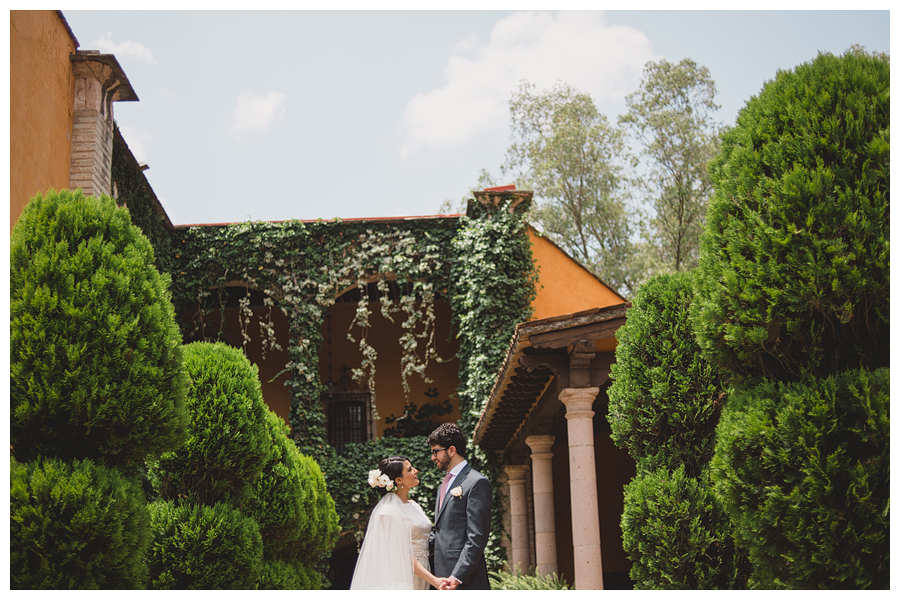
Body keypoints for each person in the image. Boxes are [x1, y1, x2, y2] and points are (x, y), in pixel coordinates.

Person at [349, 456, 451, 590]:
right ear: (398, 480)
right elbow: (400, 556)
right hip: (403, 575)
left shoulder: (414, 505)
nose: (416, 471)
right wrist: (434, 581)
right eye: (410, 469)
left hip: (424, 571)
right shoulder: (387, 511)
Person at [428, 422, 493, 590]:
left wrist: (457, 576)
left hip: (465, 580)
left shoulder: (477, 482)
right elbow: (441, 531)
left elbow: (477, 537)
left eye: (436, 452)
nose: (433, 457)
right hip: (441, 577)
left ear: (451, 450)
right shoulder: (444, 484)